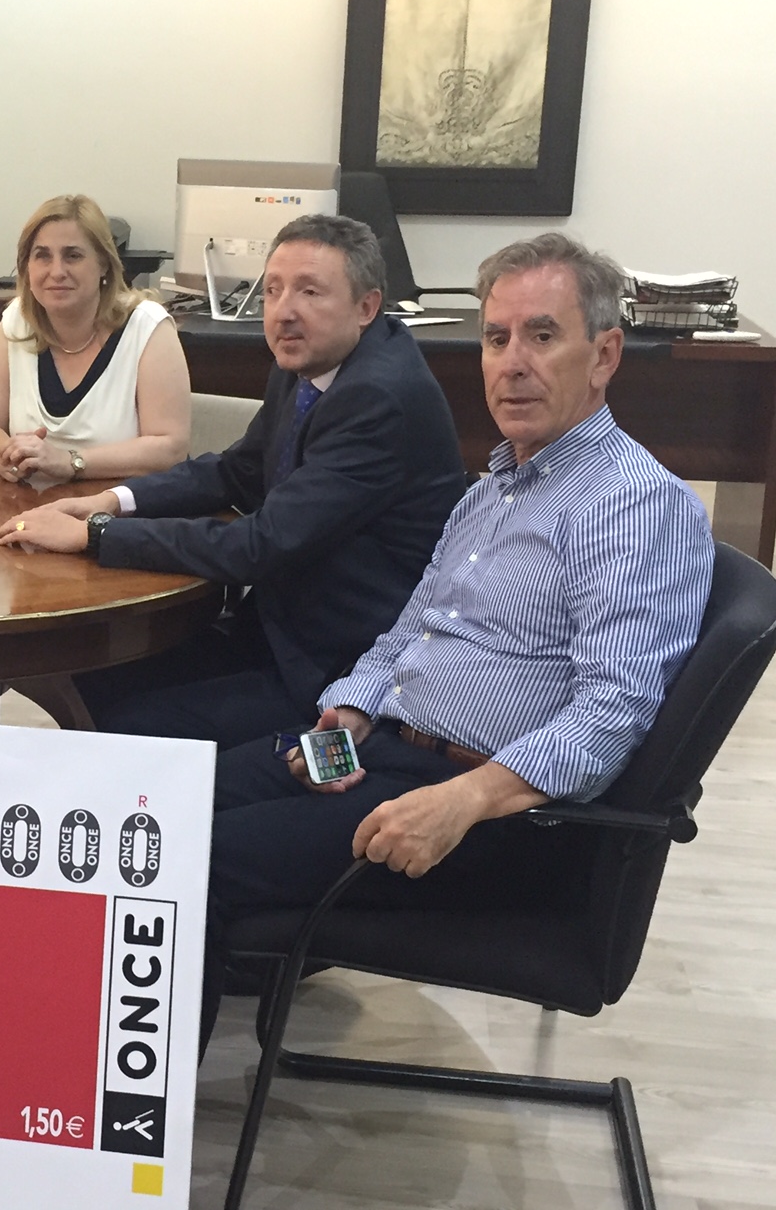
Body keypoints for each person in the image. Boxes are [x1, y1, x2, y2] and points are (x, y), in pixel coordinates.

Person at [198, 232, 715, 1046]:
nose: (513, 363)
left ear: (604, 355)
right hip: (385, 750)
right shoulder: (492, 490)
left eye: (542, 336)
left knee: (193, 862)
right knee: (161, 809)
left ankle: (138, 1118)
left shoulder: (633, 505)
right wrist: (348, 713)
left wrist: (463, 802)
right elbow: (409, 632)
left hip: (493, 814)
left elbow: (611, 715)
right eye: (496, 338)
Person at [0, 214, 467, 749]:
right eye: (273, 290)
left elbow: (261, 543)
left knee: (129, 719)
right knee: (89, 669)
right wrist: (113, 500)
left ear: (366, 307)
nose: (284, 311)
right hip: (276, 627)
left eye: (310, 292)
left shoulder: (378, 396)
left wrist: (95, 534)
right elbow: (237, 470)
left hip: (336, 668)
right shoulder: (311, 358)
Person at [0, 194, 189, 483]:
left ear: (104, 264)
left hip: (121, 505)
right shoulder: (18, 321)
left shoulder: (147, 327)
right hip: (30, 503)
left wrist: (70, 462)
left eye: (73, 256)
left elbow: (170, 448)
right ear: (26, 266)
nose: (57, 272)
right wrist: (6, 454)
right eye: (42, 255)